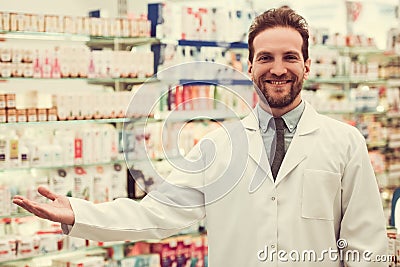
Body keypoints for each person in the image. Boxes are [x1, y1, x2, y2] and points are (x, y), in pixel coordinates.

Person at [13, 7, 388, 266]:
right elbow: (156, 214)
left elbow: (365, 244)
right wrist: (79, 212)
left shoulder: (344, 143)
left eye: (290, 57)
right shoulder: (219, 145)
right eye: (265, 58)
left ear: (307, 64)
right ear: (249, 66)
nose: (277, 69)